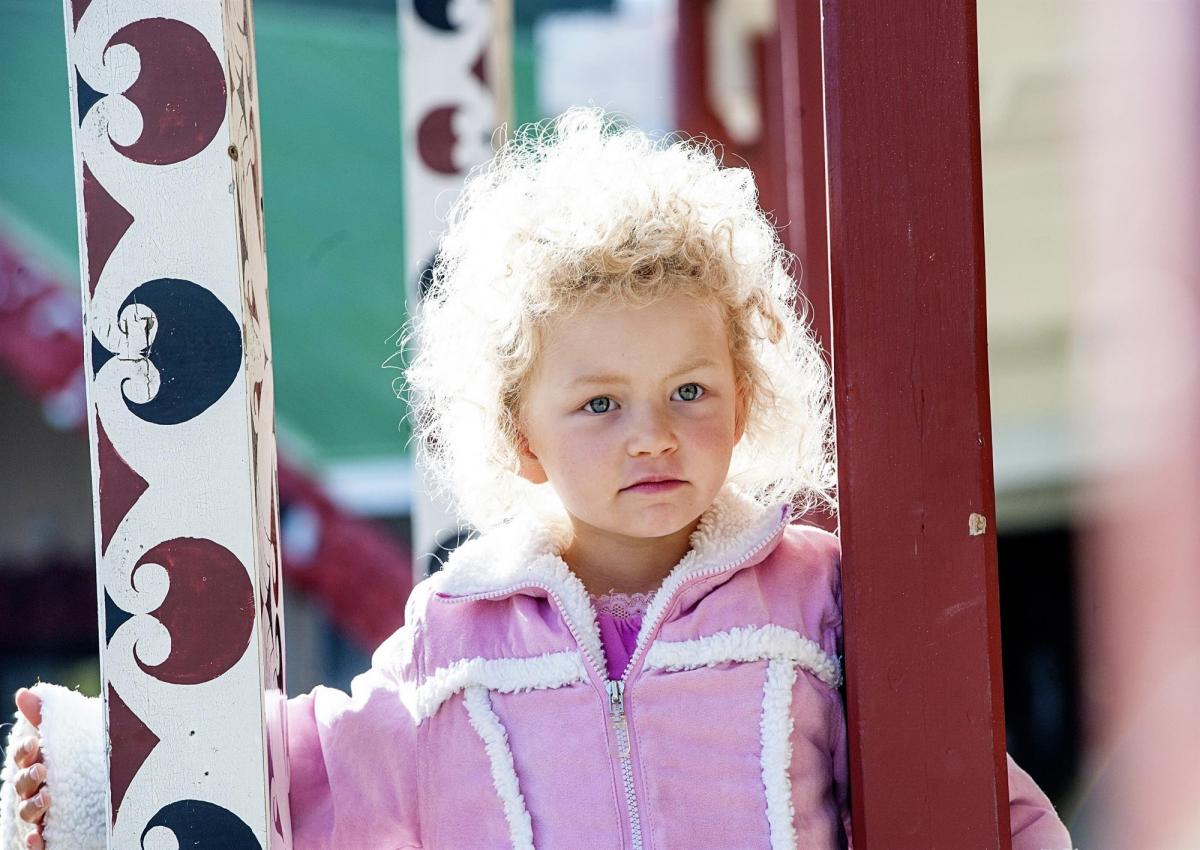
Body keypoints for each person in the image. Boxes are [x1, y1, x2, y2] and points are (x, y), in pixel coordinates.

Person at [1, 109, 1071, 849]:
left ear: (744, 394)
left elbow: (975, 792)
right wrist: (105, 766)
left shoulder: (814, 599)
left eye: (690, 390)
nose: (651, 434)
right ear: (520, 438)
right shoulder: (459, 646)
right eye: (600, 404)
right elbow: (313, 770)